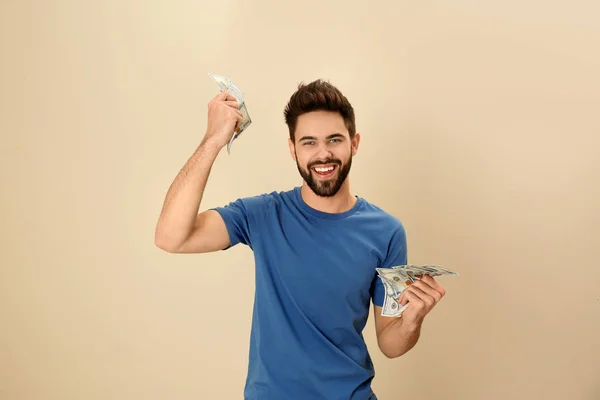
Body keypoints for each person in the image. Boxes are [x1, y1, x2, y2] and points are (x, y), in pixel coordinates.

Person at [154, 79, 447, 400]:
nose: (323, 154)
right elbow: (171, 238)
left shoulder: (387, 231)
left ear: (355, 143)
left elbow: (390, 344)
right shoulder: (263, 214)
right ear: (293, 148)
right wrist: (212, 140)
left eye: (334, 139)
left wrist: (411, 320)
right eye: (309, 142)